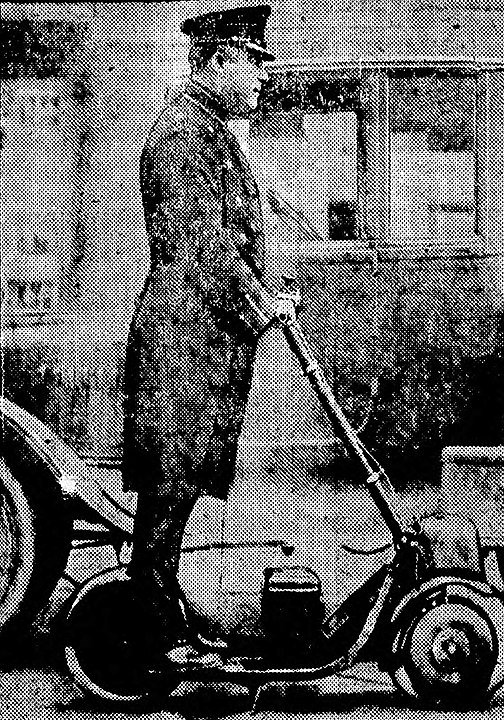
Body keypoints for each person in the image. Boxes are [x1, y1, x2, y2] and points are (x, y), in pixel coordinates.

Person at [122, 5, 288, 671]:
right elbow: (202, 247)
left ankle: (161, 618)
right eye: (252, 62)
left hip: (198, 342)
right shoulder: (182, 136)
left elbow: (233, 238)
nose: (261, 79)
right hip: (180, 347)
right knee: (170, 490)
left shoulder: (207, 130)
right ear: (217, 60)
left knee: (178, 488)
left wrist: (269, 294)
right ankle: (156, 634)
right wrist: (261, 306)